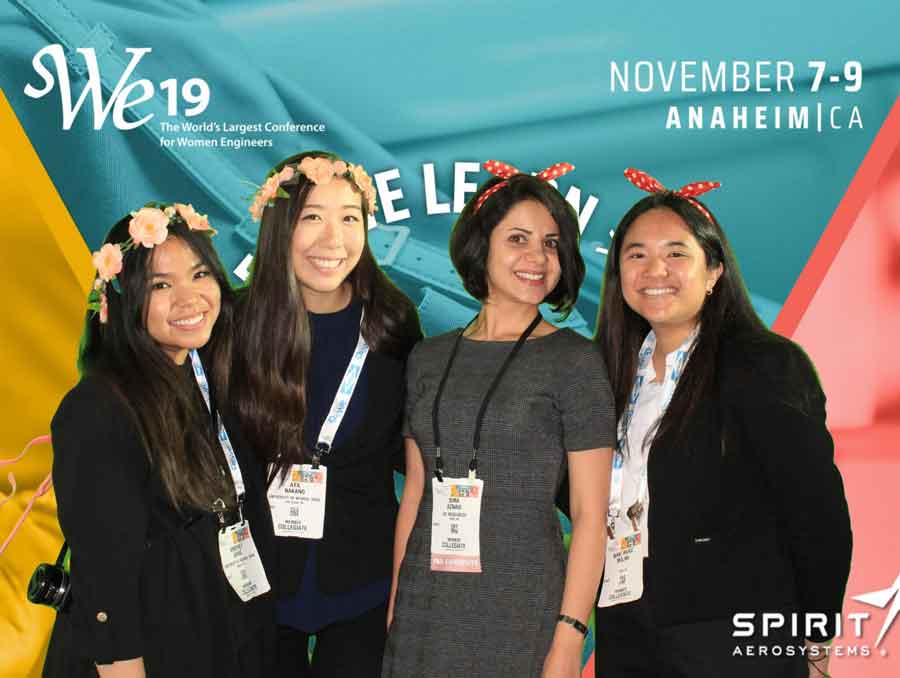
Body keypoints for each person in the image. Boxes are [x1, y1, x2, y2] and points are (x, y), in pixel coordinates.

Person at [593, 169, 853, 678]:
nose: (655, 269)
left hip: (736, 633)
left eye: (676, 253)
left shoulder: (763, 364)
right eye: (636, 254)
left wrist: (817, 631)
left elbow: (816, 509)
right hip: (627, 627)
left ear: (713, 271)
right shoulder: (606, 373)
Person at [383, 160, 615, 678]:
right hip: (425, 609)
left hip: (522, 612)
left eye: (552, 243)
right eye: (518, 239)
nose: (538, 257)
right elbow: (416, 493)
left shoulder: (574, 360)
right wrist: (398, 605)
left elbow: (590, 515)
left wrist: (568, 641)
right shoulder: (429, 355)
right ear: (479, 246)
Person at [43, 204, 275, 677]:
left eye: (200, 274)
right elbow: (106, 584)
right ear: (125, 299)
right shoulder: (98, 410)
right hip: (144, 654)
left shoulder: (207, 377)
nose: (190, 300)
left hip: (211, 635)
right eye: (161, 285)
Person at [232, 152, 422, 677]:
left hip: (364, 580)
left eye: (350, 218)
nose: (332, 240)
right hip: (255, 582)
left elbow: (411, 451)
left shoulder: (392, 322)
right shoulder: (233, 323)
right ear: (280, 226)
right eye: (312, 216)